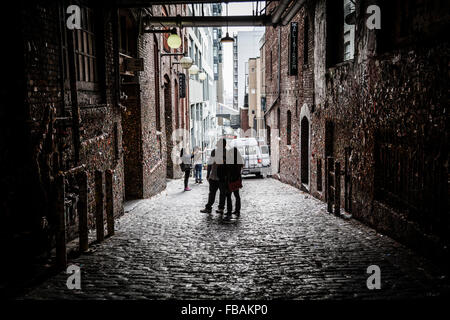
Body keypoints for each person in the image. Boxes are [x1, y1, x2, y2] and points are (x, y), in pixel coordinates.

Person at [200, 139, 227, 213]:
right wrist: (208, 174)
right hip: (214, 176)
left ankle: (220, 208)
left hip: (222, 177)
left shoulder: (226, 153)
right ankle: (209, 207)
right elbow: (210, 163)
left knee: (221, 193)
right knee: (212, 193)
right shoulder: (214, 151)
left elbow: (228, 166)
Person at [224, 146, 244, 217]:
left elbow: (227, 170)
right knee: (237, 195)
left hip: (231, 179)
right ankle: (237, 211)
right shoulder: (239, 161)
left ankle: (229, 211)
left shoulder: (230, 160)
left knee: (228, 195)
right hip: (237, 179)